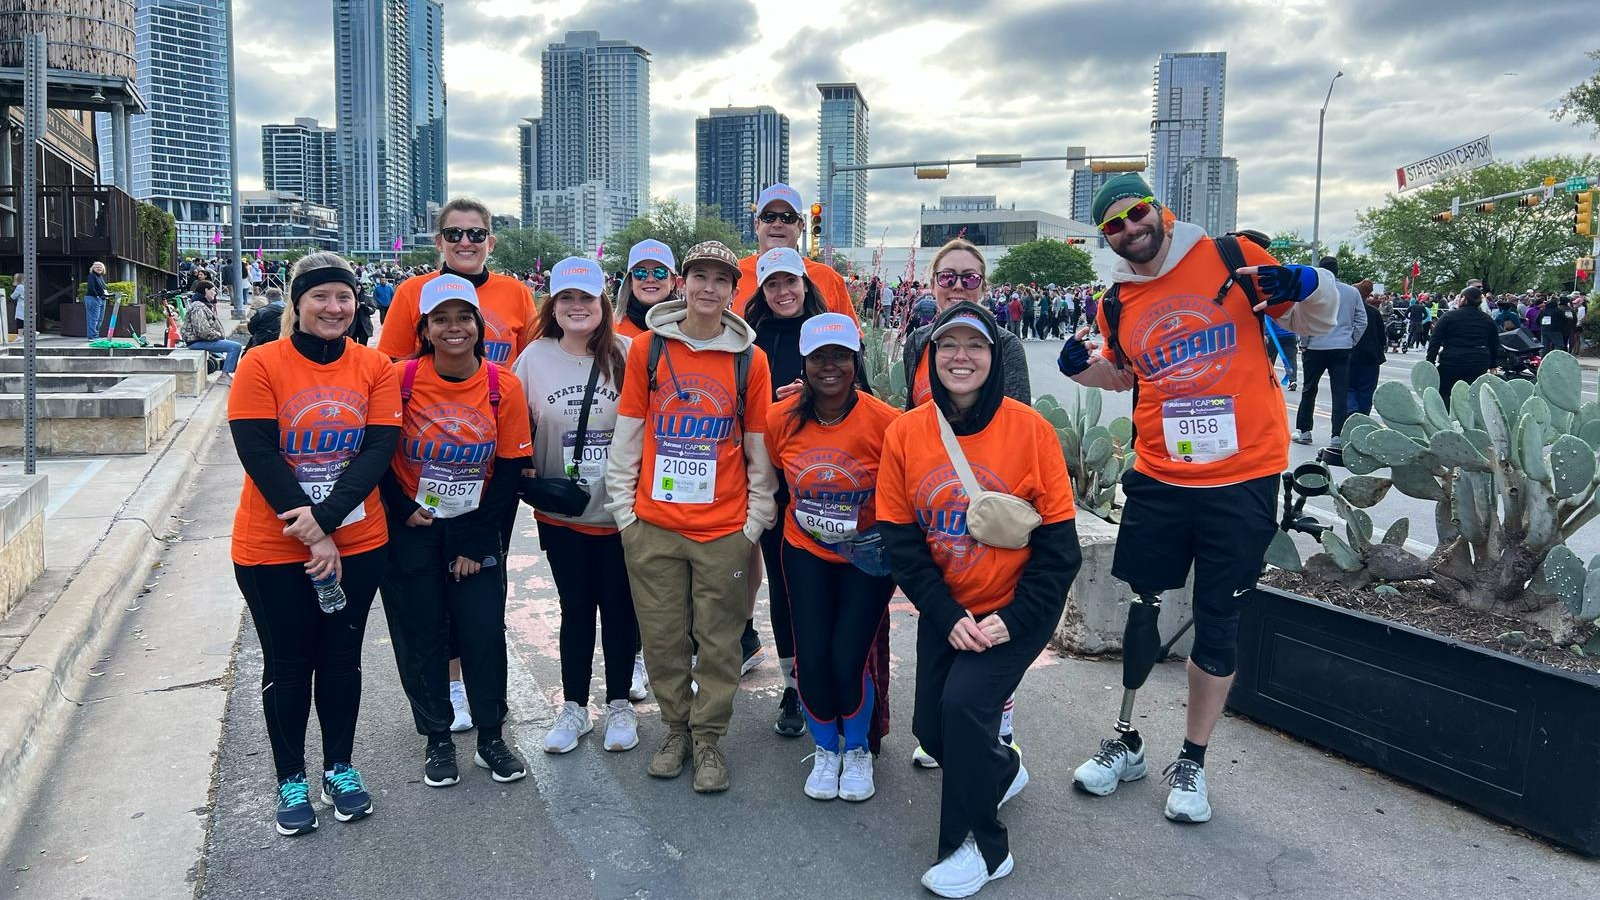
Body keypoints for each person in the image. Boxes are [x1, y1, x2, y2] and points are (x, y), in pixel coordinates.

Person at [1057, 172, 1338, 825]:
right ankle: (1125, 741)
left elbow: (1317, 323)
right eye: (1114, 226)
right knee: (1141, 608)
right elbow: (1124, 374)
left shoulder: (1233, 257)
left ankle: (1193, 759)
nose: (1130, 228)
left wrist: (1310, 283)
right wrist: (1081, 369)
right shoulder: (1118, 302)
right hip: (1159, 476)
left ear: (1159, 209)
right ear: (1108, 239)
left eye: (1135, 212)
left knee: (1218, 620)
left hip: (1241, 478)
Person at [879, 302, 1081, 897]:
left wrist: (1007, 622)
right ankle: (1002, 767)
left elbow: (1059, 553)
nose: (960, 357)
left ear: (994, 358)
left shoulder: (1031, 431)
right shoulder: (905, 433)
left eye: (975, 346)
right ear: (930, 357)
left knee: (966, 706)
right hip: (951, 609)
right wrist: (948, 617)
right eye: (948, 346)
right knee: (930, 728)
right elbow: (903, 544)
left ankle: (981, 847)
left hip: (1017, 608)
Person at [228, 251, 401, 836]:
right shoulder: (260, 364)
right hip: (270, 545)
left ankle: (340, 768)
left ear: (357, 305)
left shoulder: (375, 367)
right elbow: (257, 452)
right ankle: (290, 777)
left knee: (341, 659)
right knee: (288, 662)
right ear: (297, 303)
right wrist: (311, 528)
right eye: (321, 296)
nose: (333, 307)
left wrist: (325, 523)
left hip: (357, 541)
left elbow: (376, 452)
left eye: (344, 297)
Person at [604, 241, 778, 794]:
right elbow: (629, 434)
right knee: (661, 637)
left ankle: (708, 738)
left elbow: (756, 449)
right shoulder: (649, 351)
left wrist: (753, 523)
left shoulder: (750, 359)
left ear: (733, 290)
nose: (709, 288)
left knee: (720, 639)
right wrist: (625, 515)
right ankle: (675, 728)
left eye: (721, 280)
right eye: (700, 277)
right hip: (653, 526)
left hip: (722, 530)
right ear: (684, 282)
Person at [376, 198, 539, 731]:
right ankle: (448, 687)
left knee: (481, 578)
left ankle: (479, 683)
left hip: (490, 456)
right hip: (424, 460)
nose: (465, 242)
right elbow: (391, 373)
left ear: (491, 240)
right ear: (439, 241)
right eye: (454, 234)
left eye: (476, 233)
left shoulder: (515, 293)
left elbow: (534, 363)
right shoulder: (411, 293)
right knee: (426, 593)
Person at [900, 238, 1032, 768]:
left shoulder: (1005, 342)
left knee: (993, 620)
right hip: (934, 501)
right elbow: (911, 411)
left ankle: (999, 729)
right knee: (944, 615)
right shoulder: (917, 340)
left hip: (989, 497)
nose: (958, 287)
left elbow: (1018, 422)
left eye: (969, 278)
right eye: (948, 277)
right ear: (933, 284)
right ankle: (946, 721)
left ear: (985, 284)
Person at [765, 313, 901, 801]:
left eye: (841, 356)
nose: (830, 367)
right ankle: (826, 750)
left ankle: (858, 749)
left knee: (848, 658)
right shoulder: (780, 418)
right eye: (820, 357)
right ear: (804, 362)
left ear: (855, 360)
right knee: (813, 658)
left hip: (867, 558)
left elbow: (902, 494)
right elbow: (774, 480)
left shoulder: (885, 422)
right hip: (805, 552)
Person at [513, 258, 644, 754]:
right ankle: (573, 707)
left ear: (603, 303)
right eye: (566, 298)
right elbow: (512, 425)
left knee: (618, 607)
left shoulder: (628, 353)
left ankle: (619, 706)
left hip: (620, 511)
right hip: (564, 512)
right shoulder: (535, 358)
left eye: (586, 298)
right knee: (575, 609)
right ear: (553, 304)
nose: (576, 307)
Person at [745, 246, 831, 736]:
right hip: (769, 482)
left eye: (790, 282)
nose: (783, 292)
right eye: (772, 284)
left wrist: (810, 398)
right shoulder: (747, 340)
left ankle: (828, 677)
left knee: (821, 584)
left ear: (805, 283)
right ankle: (794, 686)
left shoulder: (829, 330)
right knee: (783, 585)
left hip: (823, 482)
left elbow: (856, 393)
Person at [733, 183, 860, 326]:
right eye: (769, 217)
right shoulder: (733, 274)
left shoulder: (828, 278)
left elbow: (853, 340)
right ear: (757, 225)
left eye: (788, 217)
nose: (777, 224)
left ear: (800, 226)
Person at [1292, 256, 1366, 448]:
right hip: (1341, 347)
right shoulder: (1352, 292)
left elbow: (1304, 320)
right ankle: (1337, 436)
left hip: (1316, 345)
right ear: (1338, 270)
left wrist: (1305, 343)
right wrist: (1350, 340)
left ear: (1320, 270)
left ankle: (1305, 430)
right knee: (1339, 393)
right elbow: (1361, 320)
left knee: (1309, 389)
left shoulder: (1312, 292)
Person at [1427, 286, 1502, 397]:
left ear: (1464, 299)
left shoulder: (1448, 317)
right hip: (1478, 362)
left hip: (1451, 362)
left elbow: (1435, 341)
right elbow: (1494, 343)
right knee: (1471, 396)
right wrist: (1492, 364)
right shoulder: (1487, 319)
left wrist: (1430, 362)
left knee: (1445, 395)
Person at [615, 238, 679, 339]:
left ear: (672, 282)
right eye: (640, 272)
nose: (650, 279)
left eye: (660, 272)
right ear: (631, 282)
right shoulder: (610, 330)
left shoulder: (689, 328)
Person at [182, 281, 244, 381]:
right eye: (213, 290)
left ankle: (226, 373)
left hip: (199, 340)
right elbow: (203, 331)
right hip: (197, 341)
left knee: (233, 346)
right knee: (235, 347)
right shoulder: (199, 307)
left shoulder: (202, 305)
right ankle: (225, 375)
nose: (215, 293)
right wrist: (219, 335)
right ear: (206, 290)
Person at [1347, 280, 1386, 416]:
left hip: (1351, 355)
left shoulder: (1348, 312)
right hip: (1371, 357)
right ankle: (1362, 417)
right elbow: (1382, 337)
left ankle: (1352, 410)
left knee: (1348, 387)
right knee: (1366, 391)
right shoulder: (1374, 313)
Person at [85, 260, 110, 339]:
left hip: (101, 299)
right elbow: (91, 288)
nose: (99, 268)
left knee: (100, 319)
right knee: (93, 318)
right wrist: (98, 295)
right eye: (97, 267)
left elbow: (102, 289)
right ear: (93, 268)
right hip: (93, 298)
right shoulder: (92, 276)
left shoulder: (100, 277)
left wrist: (106, 295)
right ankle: (92, 336)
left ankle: (95, 335)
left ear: (103, 269)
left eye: (100, 267)